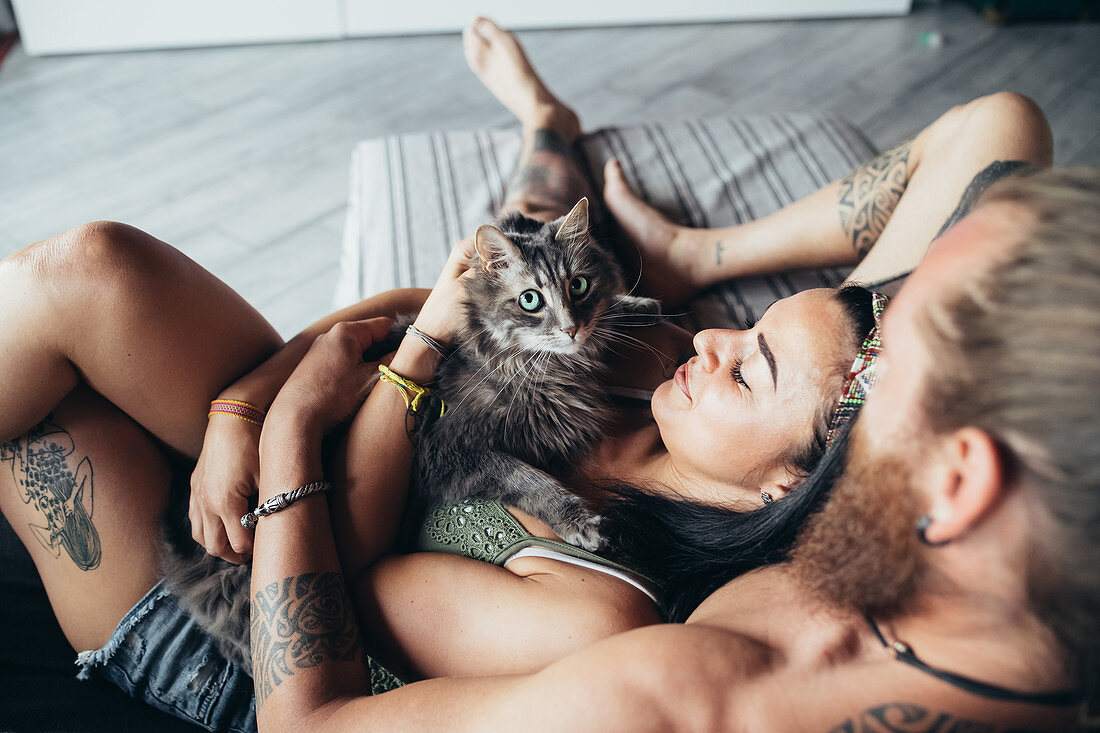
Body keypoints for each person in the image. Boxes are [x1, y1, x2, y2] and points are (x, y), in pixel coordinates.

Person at [0, 17, 1055, 732]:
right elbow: (447, 297)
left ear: (793, 482)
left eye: (750, 364)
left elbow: (346, 556)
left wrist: (286, 427)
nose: (712, 344)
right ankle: (556, 135)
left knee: (41, 388)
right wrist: (241, 405)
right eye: (740, 329)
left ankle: (549, 138)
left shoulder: (599, 606)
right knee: (95, 266)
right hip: (317, 436)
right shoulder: (696, 373)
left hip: (242, 598)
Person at [247, 167, 1100, 732]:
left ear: (957, 483)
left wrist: (286, 432)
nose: (869, 365)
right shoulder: (971, 582)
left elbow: (306, 722)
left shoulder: (679, 689)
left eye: (890, 364)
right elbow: (1000, 139)